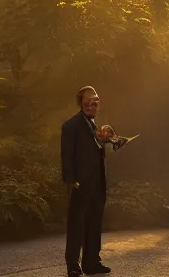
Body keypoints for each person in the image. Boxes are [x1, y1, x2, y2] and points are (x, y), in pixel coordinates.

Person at [61, 86, 112, 277]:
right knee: (77, 224)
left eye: (96, 100)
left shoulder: (95, 126)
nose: (93, 104)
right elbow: (67, 155)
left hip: (97, 182)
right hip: (80, 184)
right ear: (81, 104)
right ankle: (73, 265)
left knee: (94, 222)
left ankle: (92, 262)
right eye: (89, 102)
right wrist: (70, 180)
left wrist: (111, 141)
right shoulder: (70, 126)